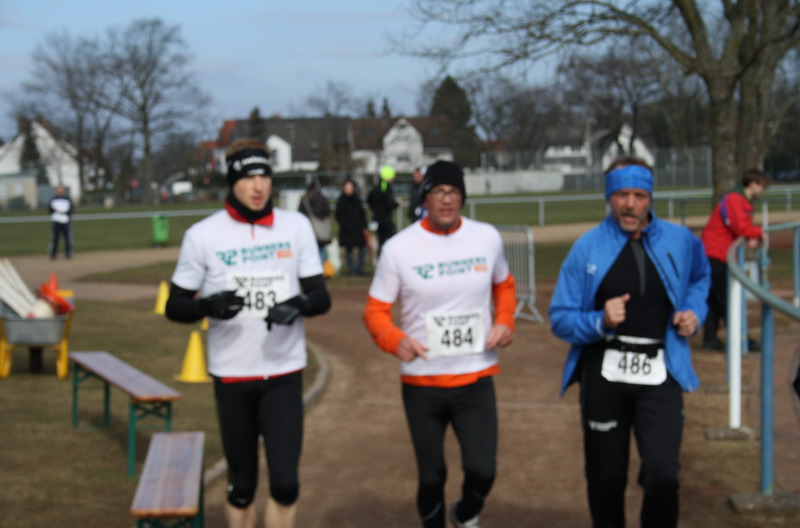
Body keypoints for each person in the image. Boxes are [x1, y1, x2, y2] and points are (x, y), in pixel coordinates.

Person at [165, 138, 331, 528]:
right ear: (232, 181)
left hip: (283, 372)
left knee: (286, 484)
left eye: (264, 177)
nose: (258, 187)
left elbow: (321, 297)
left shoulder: (295, 226)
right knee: (242, 485)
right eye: (247, 178)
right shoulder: (203, 234)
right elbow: (175, 306)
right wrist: (208, 306)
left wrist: (299, 304)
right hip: (233, 374)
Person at [549, 157, 710, 528]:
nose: (631, 204)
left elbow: (700, 278)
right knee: (606, 479)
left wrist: (693, 311)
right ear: (609, 197)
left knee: (663, 474)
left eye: (640, 195)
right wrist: (599, 321)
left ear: (650, 197)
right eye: (622, 194)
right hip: (604, 376)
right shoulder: (587, 248)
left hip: (661, 373)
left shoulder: (681, 241)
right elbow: (560, 317)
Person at [363, 160, 516, 528]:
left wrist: (504, 320)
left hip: (475, 377)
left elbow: (504, 285)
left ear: (462, 197)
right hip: (422, 382)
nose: (447, 200)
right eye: (438, 192)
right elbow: (375, 312)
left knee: (483, 470)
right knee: (432, 477)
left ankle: (464, 513)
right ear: (425, 198)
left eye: (454, 192)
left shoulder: (486, 238)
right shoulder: (399, 248)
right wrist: (395, 340)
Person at [700, 168, 768, 351]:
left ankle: (711, 339)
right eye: (762, 186)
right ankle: (739, 339)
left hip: (716, 254)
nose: (763, 191)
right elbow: (741, 227)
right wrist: (759, 232)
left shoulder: (736, 200)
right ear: (753, 184)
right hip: (716, 255)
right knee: (727, 300)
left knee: (715, 300)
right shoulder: (735, 200)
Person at [334, 179, 368, 275]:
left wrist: (364, 227)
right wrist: (346, 224)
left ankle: (360, 269)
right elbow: (338, 215)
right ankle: (351, 270)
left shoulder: (357, 199)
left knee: (362, 248)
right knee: (349, 250)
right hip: (347, 230)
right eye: (347, 188)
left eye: (350, 188)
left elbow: (362, 214)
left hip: (358, 229)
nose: (349, 190)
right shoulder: (341, 200)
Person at [367, 165, 399, 255]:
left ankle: (380, 259)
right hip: (385, 219)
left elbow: (369, 199)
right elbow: (389, 203)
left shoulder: (377, 186)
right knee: (394, 239)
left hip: (378, 218)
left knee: (381, 241)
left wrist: (375, 208)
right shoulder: (386, 187)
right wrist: (396, 203)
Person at [298, 182, 332, 264]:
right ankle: (322, 266)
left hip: (308, 227)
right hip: (320, 226)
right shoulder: (322, 197)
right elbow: (327, 211)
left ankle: (313, 265)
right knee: (321, 249)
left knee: (309, 249)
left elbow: (300, 213)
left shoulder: (305, 199)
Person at [48, 185, 74, 260]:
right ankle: (53, 254)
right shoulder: (53, 199)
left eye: (61, 191)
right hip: (56, 222)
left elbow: (71, 209)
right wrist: (55, 210)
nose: (60, 192)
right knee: (55, 239)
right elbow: (49, 209)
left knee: (67, 239)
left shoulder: (67, 199)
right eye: (59, 191)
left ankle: (68, 254)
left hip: (65, 222)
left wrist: (63, 211)